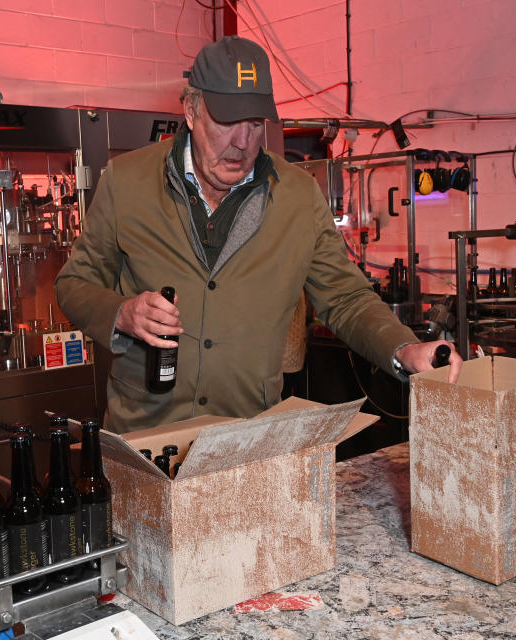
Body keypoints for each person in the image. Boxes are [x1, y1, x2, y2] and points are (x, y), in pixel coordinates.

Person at [55, 36, 461, 433]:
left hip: (245, 440)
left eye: (253, 124)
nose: (243, 142)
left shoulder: (298, 197)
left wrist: (404, 348)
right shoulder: (128, 181)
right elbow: (75, 284)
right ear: (192, 110)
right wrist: (122, 313)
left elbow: (346, 297)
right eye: (227, 122)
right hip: (145, 436)